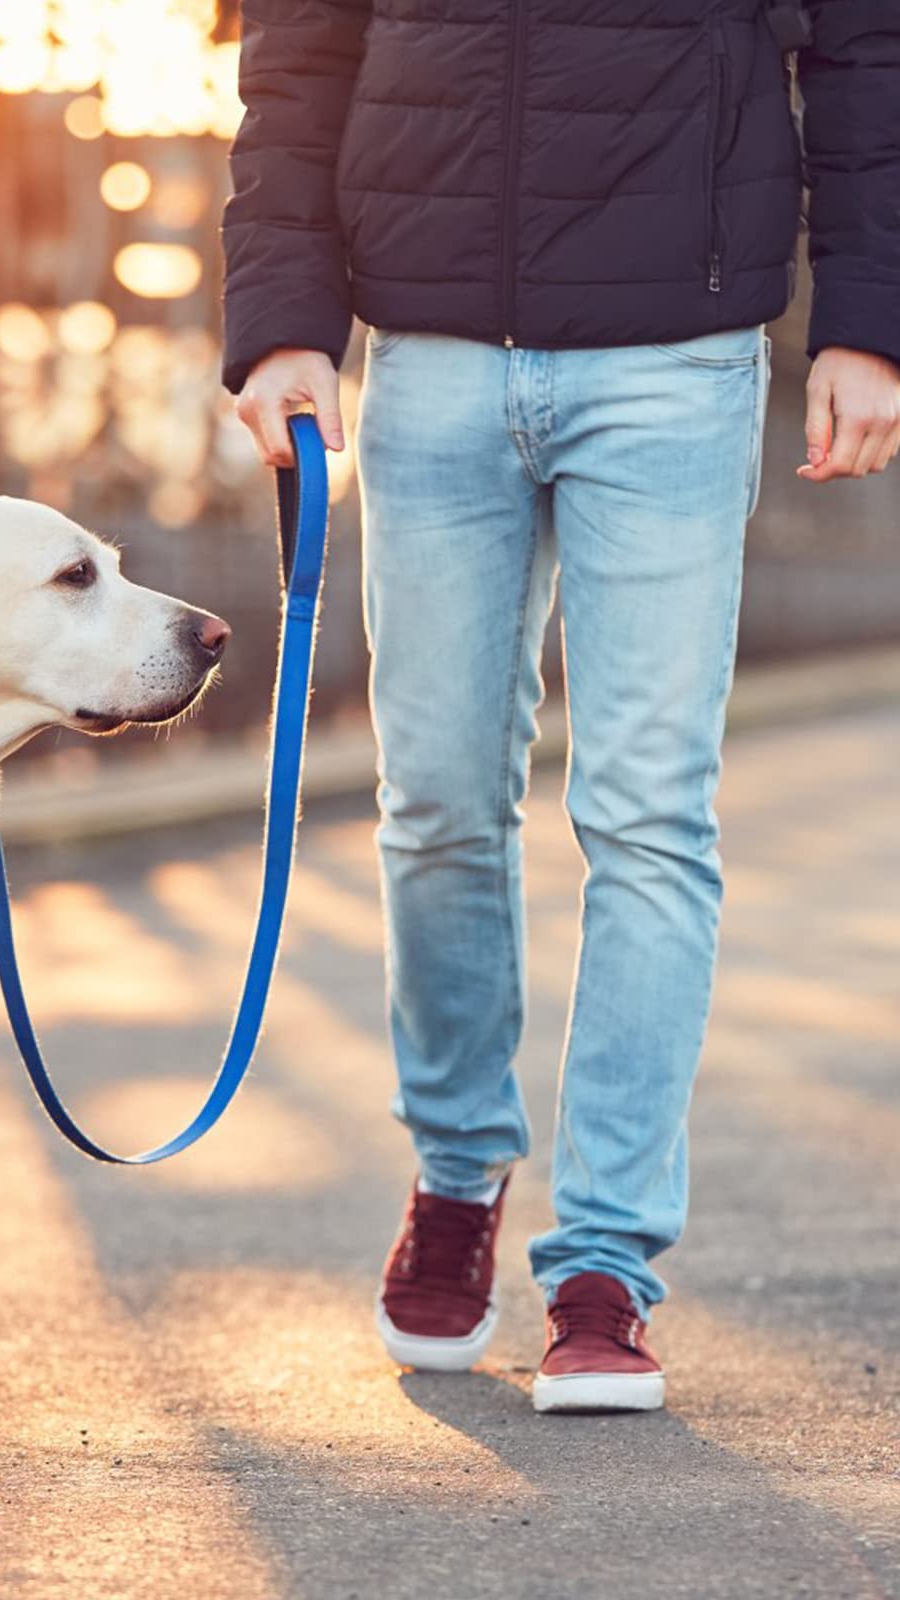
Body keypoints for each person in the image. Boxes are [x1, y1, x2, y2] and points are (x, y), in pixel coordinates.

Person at [222, 0, 900, 1413]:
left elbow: (864, 47)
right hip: (430, 353)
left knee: (648, 814)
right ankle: (460, 1171)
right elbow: (297, 53)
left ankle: (602, 1269)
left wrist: (871, 320)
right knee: (439, 800)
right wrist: (284, 320)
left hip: (677, 356)